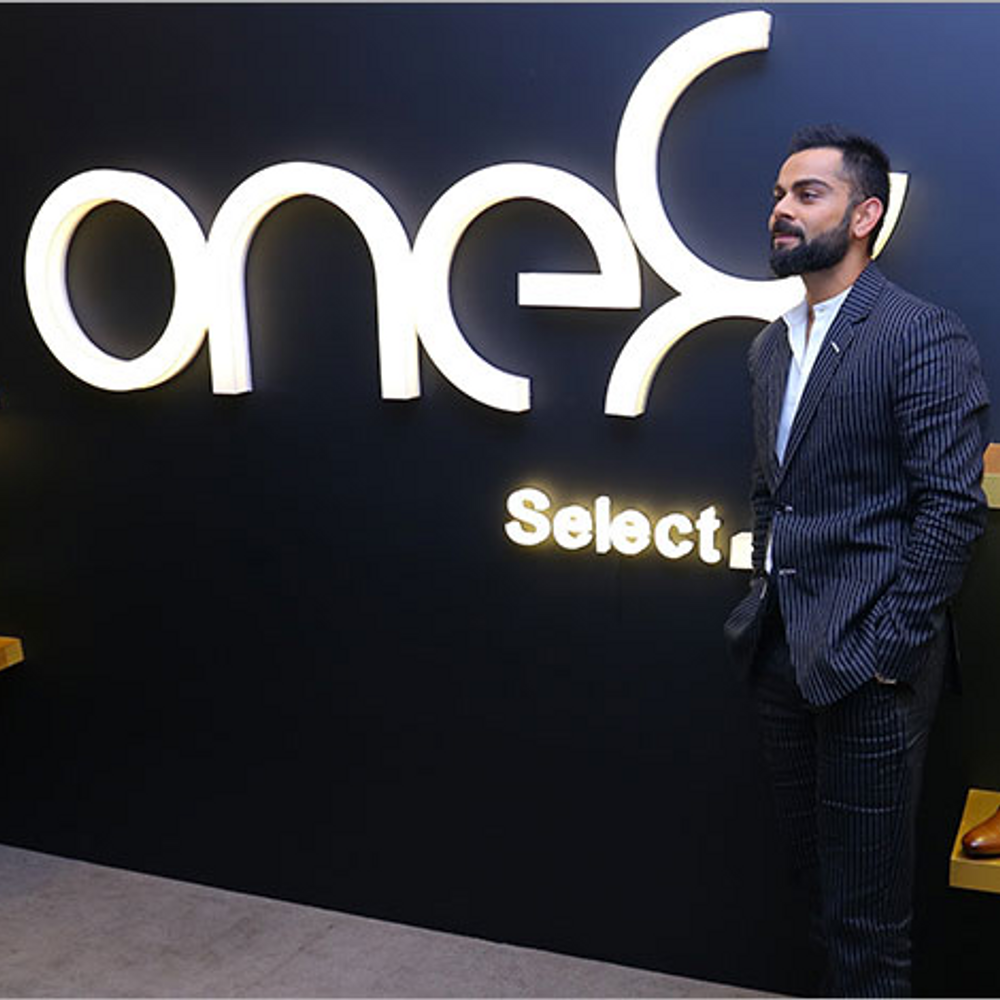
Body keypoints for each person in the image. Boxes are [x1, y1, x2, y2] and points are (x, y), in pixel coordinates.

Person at [723, 125, 990, 997]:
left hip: (871, 668)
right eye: (778, 195)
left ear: (865, 214)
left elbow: (952, 506)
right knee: (816, 890)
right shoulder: (771, 348)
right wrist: (764, 596)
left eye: (808, 194)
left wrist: (888, 651)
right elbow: (770, 493)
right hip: (779, 653)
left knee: (868, 920)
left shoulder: (920, 333)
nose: (783, 210)